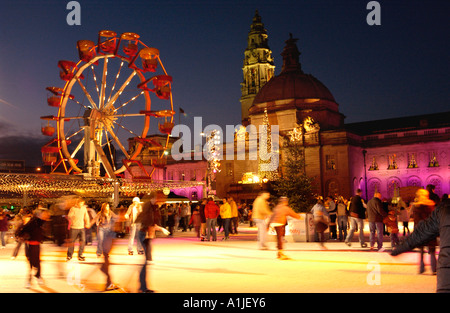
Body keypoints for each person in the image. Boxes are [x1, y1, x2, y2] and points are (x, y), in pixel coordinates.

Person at [391, 197, 450, 292]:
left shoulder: (445, 209)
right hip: (446, 273)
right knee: (430, 252)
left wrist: (400, 248)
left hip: (446, 274)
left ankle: (424, 268)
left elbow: (421, 233)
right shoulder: (442, 208)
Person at [134, 192, 169, 293]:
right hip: (143, 234)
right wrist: (158, 229)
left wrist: (160, 229)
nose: (163, 201)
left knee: (146, 261)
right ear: (157, 197)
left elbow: (152, 222)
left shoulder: (154, 207)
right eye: (162, 198)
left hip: (146, 234)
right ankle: (143, 287)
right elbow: (147, 221)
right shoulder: (148, 206)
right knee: (145, 262)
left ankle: (143, 287)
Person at [17, 205, 51, 288]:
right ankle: (30, 279)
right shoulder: (33, 222)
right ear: (40, 214)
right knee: (32, 263)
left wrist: (49, 238)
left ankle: (37, 276)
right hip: (30, 245)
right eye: (45, 214)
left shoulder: (42, 222)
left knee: (37, 262)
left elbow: (41, 234)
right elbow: (24, 229)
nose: (47, 216)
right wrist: (21, 236)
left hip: (36, 245)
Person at [411, 188, 437, 274]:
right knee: (432, 251)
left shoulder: (416, 206)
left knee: (421, 251)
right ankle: (434, 269)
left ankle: (421, 269)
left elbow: (415, 220)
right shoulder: (430, 205)